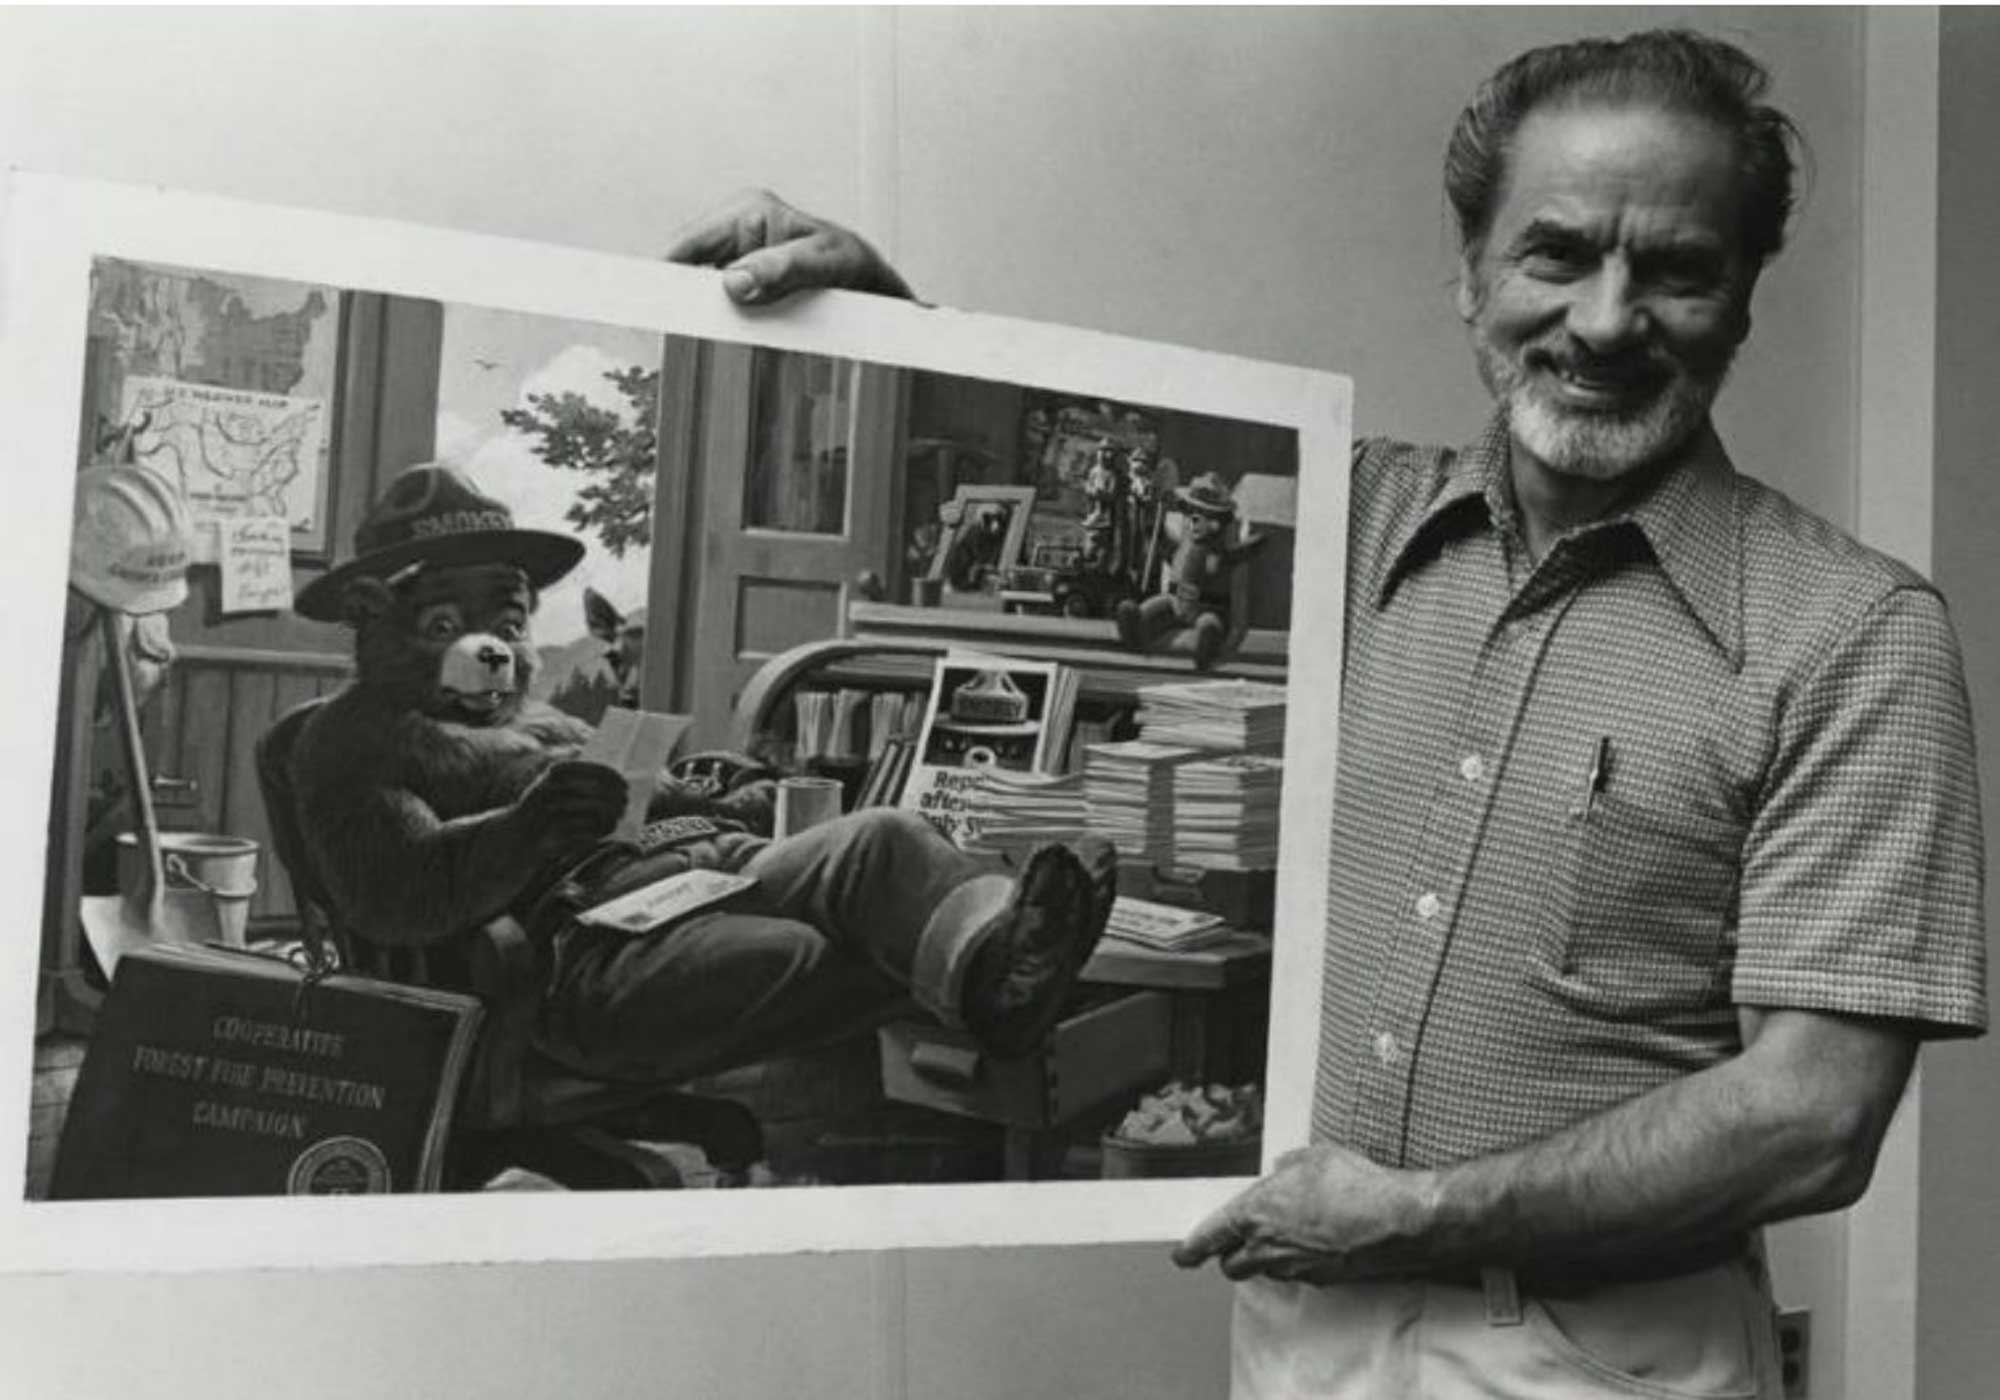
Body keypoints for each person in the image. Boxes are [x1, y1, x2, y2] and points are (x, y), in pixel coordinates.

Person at [666, 26, 1986, 1399]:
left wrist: (1418, 1218)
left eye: (1676, 270)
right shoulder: (1346, 519)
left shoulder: (1852, 637)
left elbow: (1812, 1120)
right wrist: (880, 320)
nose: (1605, 320)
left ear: (1743, 302)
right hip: (1304, 1341)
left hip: (1616, 1364)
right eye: (1556, 254)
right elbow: (1095, 494)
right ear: (1469, 277)